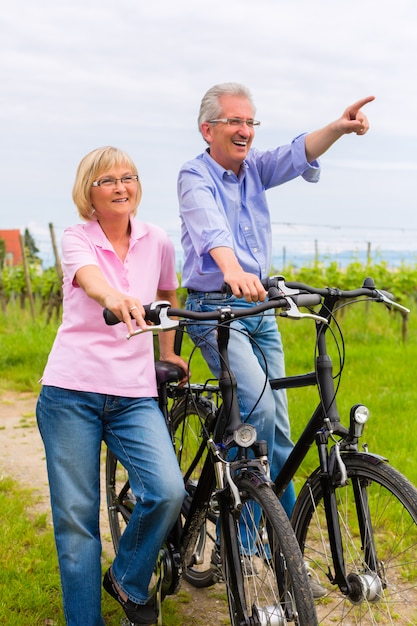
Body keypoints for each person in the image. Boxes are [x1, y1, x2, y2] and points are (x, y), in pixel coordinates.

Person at [178, 82, 374, 519]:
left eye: (250, 122)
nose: (245, 130)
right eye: (235, 121)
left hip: (259, 308)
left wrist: (339, 128)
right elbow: (212, 230)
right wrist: (231, 270)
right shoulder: (195, 176)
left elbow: (295, 153)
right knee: (257, 411)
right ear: (207, 129)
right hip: (216, 308)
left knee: (280, 430)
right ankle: (249, 545)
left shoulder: (254, 171)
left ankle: (283, 548)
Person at [36, 146, 188, 626]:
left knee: (167, 490)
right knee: (76, 522)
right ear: (89, 193)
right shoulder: (78, 237)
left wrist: (166, 351)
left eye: (129, 177)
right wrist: (117, 298)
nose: (122, 186)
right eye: (108, 181)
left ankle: (126, 579)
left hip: (133, 394)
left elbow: (167, 292)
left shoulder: (157, 238)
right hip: (70, 394)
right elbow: (91, 281)